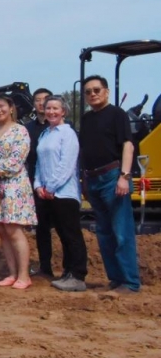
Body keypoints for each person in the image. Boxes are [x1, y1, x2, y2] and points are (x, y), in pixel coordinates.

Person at [79, 75, 140, 294]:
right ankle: (115, 279)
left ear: (106, 92)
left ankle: (130, 282)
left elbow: (128, 145)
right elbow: (84, 150)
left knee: (122, 232)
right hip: (93, 179)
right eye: (88, 91)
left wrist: (124, 176)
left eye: (96, 90)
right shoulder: (86, 119)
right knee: (104, 233)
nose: (92, 94)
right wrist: (84, 180)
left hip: (113, 177)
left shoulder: (117, 114)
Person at [0, 94, 37, 290]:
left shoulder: (20, 131)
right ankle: (12, 273)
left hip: (13, 186)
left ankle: (24, 275)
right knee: (2, 230)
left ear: (11, 108)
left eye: (2, 106)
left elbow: (16, 159)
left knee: (13, 230)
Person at [33, 96, 88, 292]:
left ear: (63, 111)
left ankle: (78, 275)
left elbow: (67, 165)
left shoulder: (68, 133)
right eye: (48, 108)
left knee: (71, 234)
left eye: (56, 108)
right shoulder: (44, 134)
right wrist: (38, 185)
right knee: (62, 235)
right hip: (46, 193)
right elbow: (39, 164)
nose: (51, 112)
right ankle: (67, 272)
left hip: (64, 193)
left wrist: (51, 187)